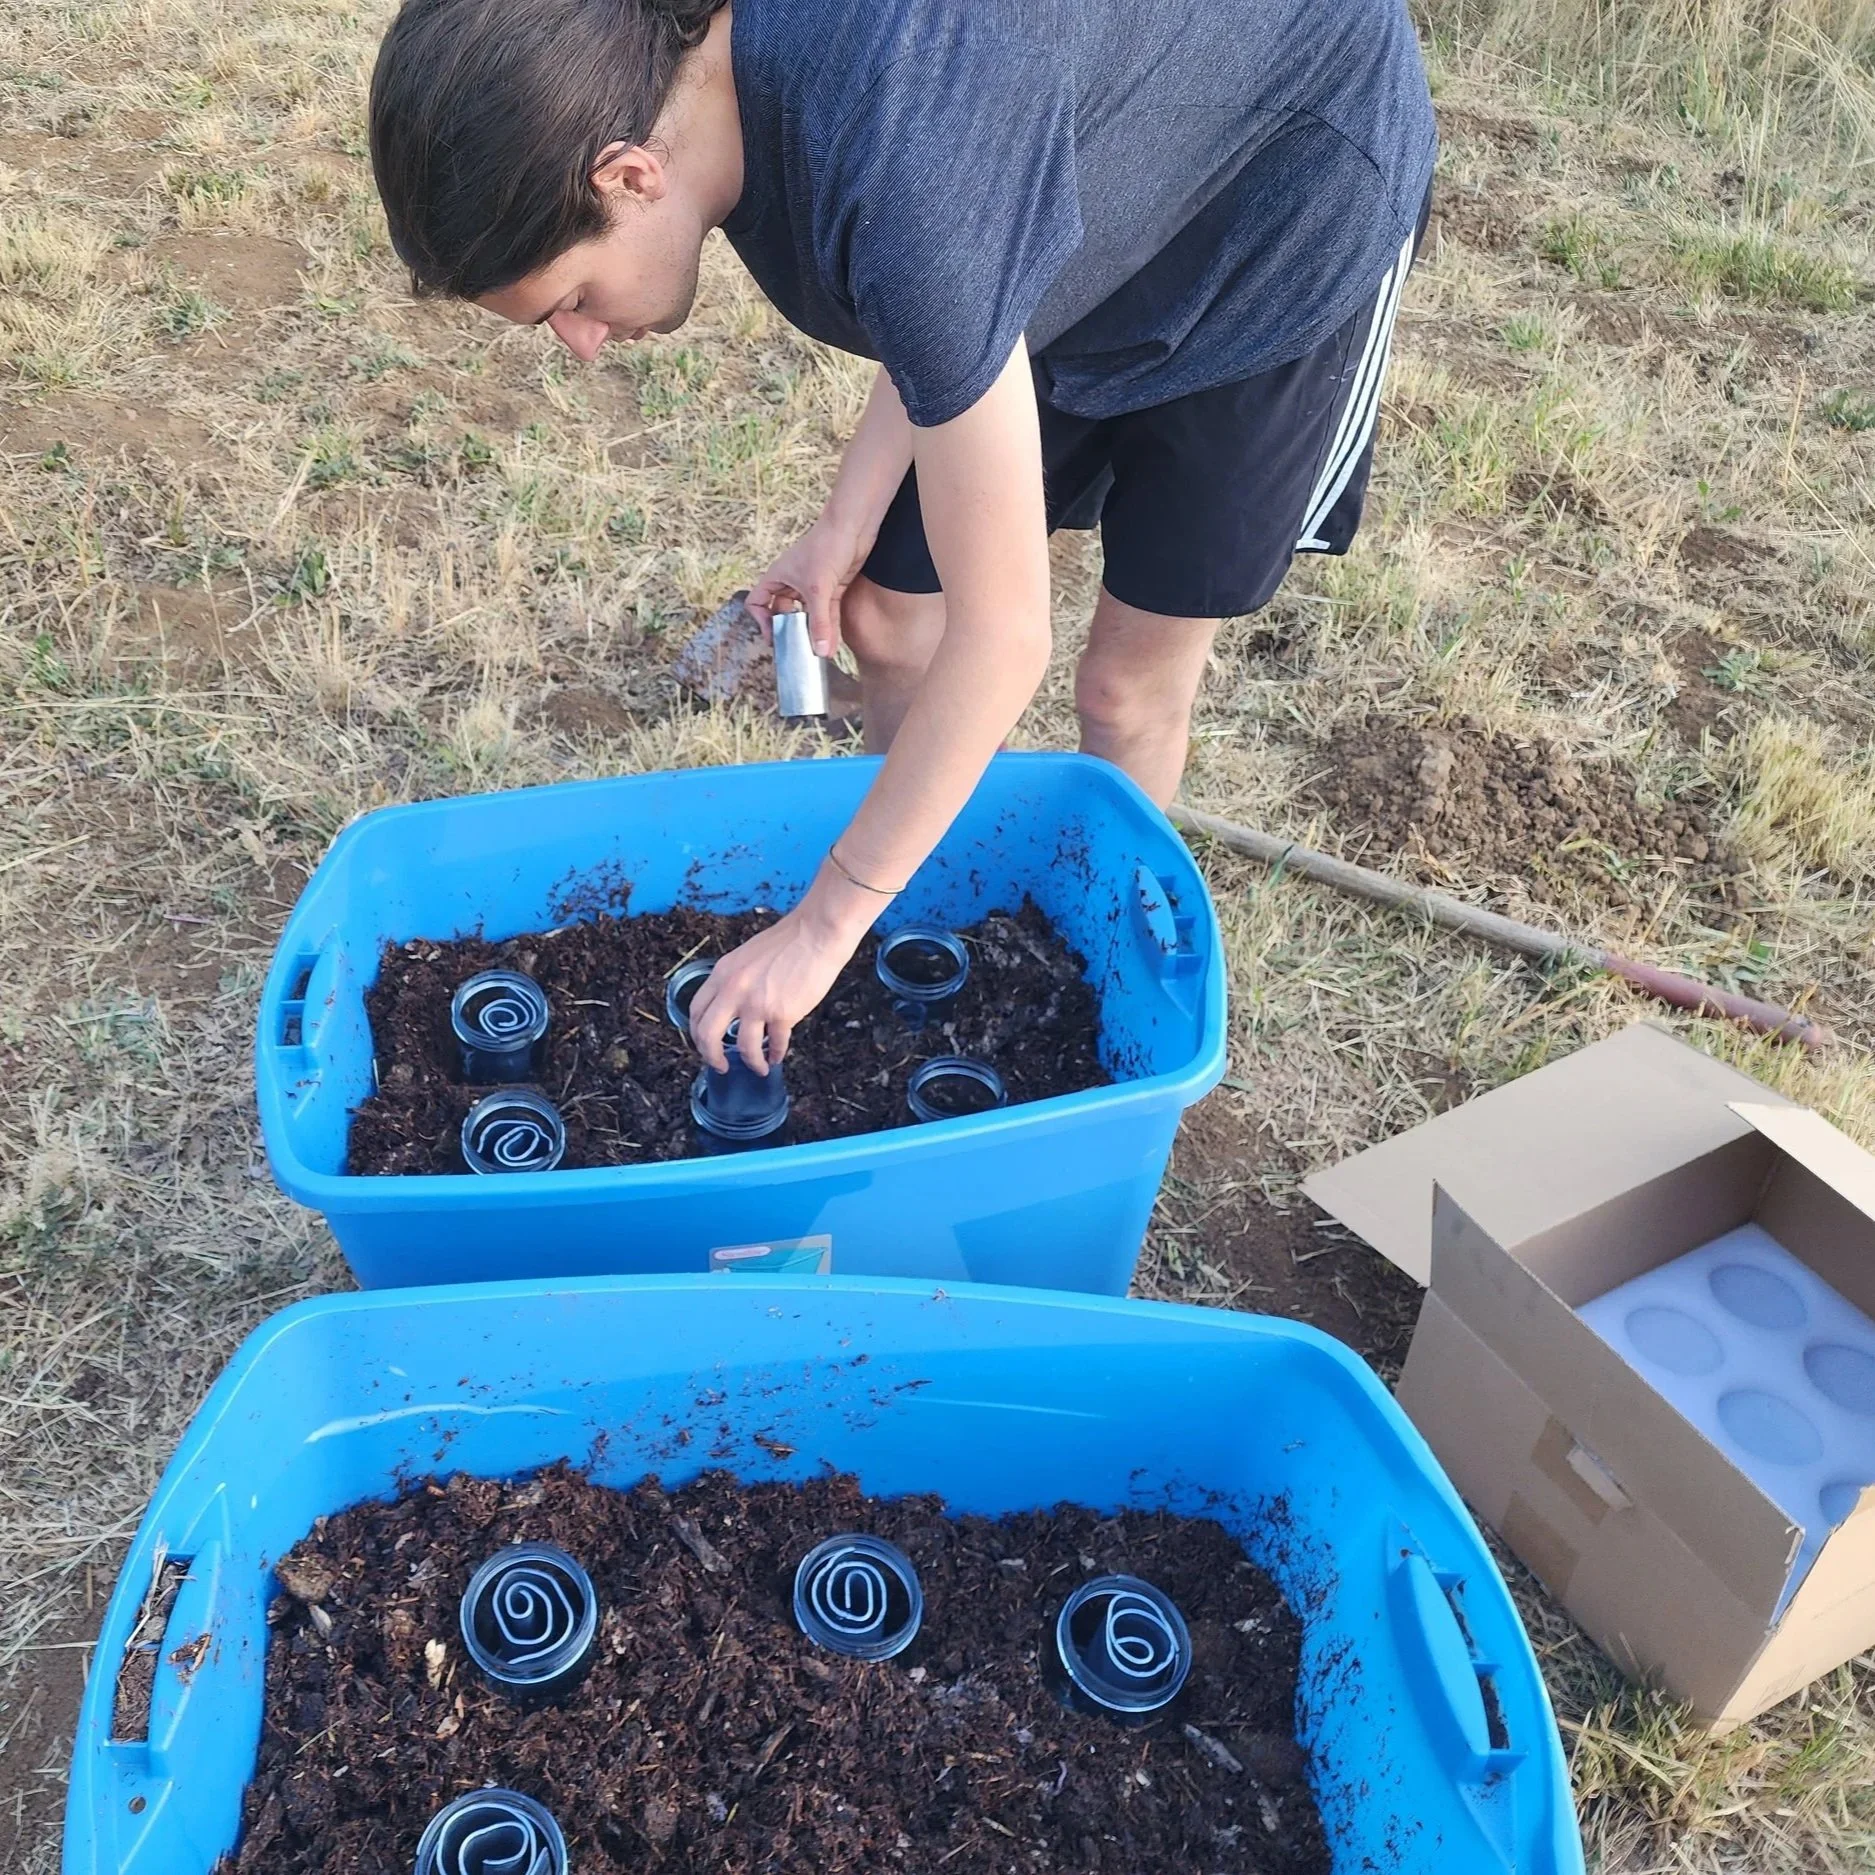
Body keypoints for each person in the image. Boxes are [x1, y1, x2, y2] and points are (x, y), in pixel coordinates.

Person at [369, 0, 1435, 1076]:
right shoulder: (767, 104)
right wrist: (844, 521)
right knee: (886, 612)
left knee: (1124, 690)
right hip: (1065, 158)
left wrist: (824, 921)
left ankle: (1102, 995)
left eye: (572, 300)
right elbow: (947, 293)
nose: (585, 345)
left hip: (1282, 197)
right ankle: (910, 908)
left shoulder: (900, 157)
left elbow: (1007, 632)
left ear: (629, 176)